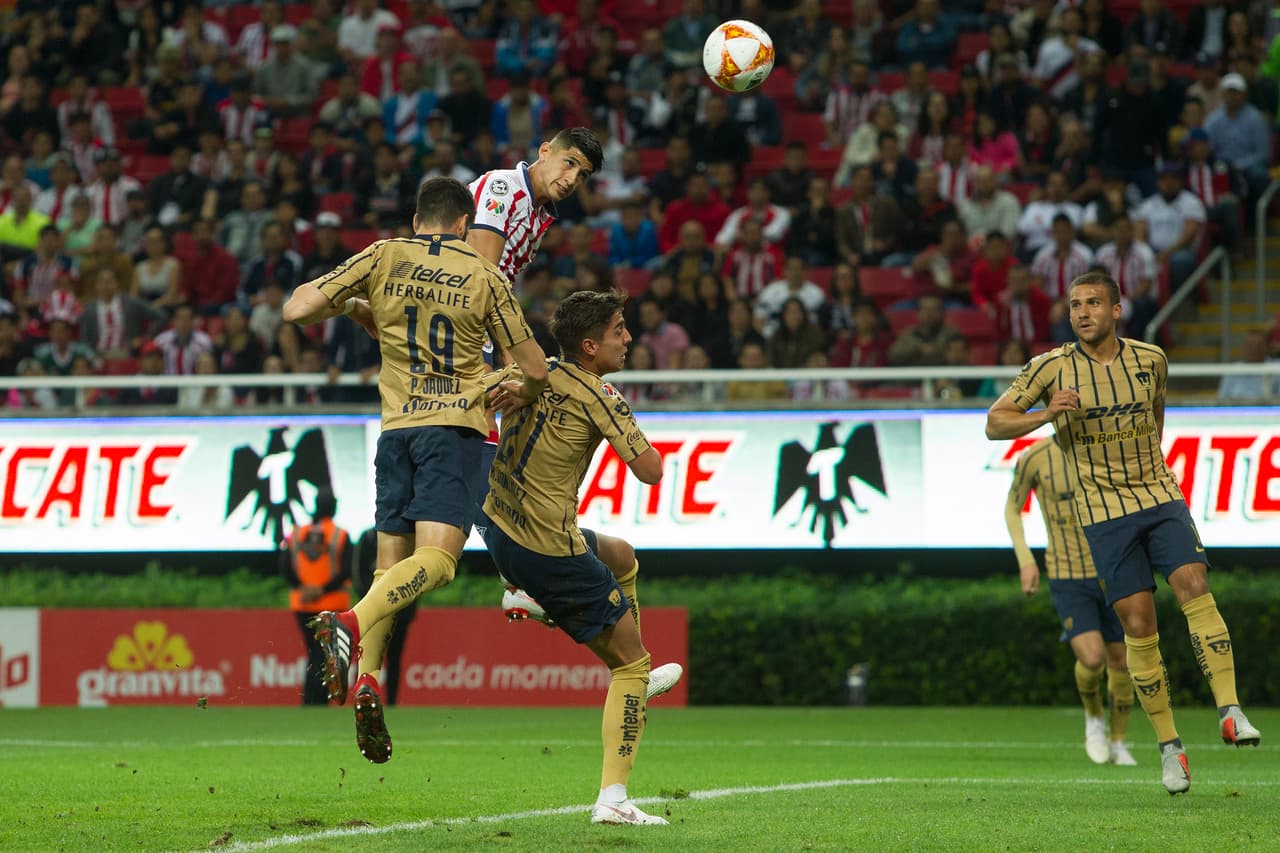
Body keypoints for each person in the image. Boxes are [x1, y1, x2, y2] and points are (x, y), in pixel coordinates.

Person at [282, 176, 550, 763]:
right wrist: (515, 386)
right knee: (441, 561)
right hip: (453, 428)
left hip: (395, 429)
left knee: (390, 569)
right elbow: (533, 367)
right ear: (464, 223)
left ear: (417, 218)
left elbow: (297, 307)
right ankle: (349, 624)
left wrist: (353, 304)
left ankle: (369, 681)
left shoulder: (384, 255)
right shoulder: (485, 275)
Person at [986, 270, 1262, 795]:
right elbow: (995, 422)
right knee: (1138, 623)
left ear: (1117, 309)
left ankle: (1229, 709)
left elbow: (1156, 416)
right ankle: (1170, 749)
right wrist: (1046, 413)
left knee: (1195, 584)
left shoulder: (1150, 359)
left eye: (1093, 302)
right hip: (1104, 513)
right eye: (1074, 304)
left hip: (1158, 496)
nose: (1082, 312)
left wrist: (1147, 469)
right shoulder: (1050, 367)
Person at [480, 289, 670, 826]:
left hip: (498, 532)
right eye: (618, 331)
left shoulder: (523, 373)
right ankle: (614, 799)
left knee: (621, 554)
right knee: (630, 664)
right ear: (590, 346)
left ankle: (527, 596)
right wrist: (625, 425)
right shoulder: (601, 394)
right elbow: (651, 471)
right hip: (547, 549)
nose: (628, 338)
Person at [1005, 435, 1136, 767]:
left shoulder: (1107, 448)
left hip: (1112, 570)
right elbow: (1012, 507)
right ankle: (1094, 719)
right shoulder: (1035, 457)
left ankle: (1119, 742)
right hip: (1066, 575)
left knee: (1121, 660)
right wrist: (1025, 559)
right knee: (1092, 658)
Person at [280, 488, 353, 706]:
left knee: (314, 652)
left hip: (302, 605)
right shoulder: (339, 535)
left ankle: (311, 700)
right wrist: (322, 590)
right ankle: (316, 701)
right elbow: (346, 569)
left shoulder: (296, 533)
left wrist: (303, 588)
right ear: (333, 507)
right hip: (332, 604)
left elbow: (284, 566)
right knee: (324, 654)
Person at [352, 526, 418, 704]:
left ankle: (391, 702)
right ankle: (361, 698)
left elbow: (416, 577)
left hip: (400, 612)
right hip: (374, 613)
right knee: (366, 656)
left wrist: (409, 608)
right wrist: (370, 604)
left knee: (394, 657)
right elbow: (358, 574)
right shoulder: (368, 538)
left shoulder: (410, 538)